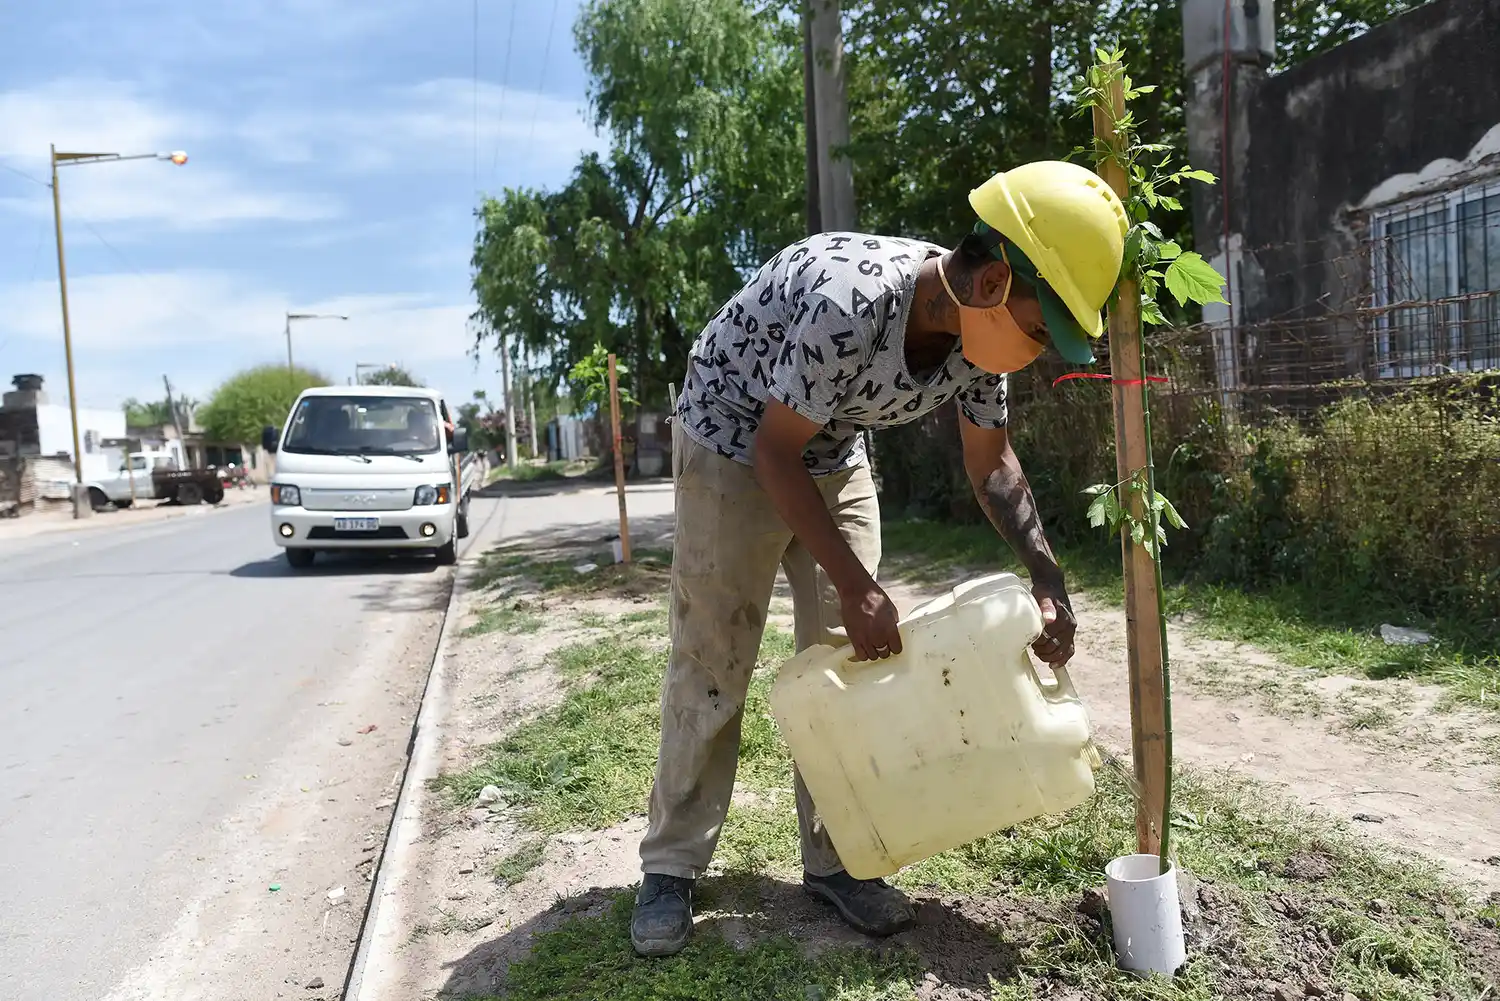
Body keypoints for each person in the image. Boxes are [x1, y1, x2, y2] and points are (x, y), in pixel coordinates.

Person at [632, 160, 1127, 957]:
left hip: (827, 448)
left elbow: (992, 465)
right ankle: (672, 867)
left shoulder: (977, 342)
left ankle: (837, 861)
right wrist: (857, 584)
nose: (1035, 354)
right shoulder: (850, 302)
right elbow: (772, 450)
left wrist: (1049, 575)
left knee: (851, 662)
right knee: (714, 657)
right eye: (1040, 331)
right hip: (734, 437)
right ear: (994, 281)